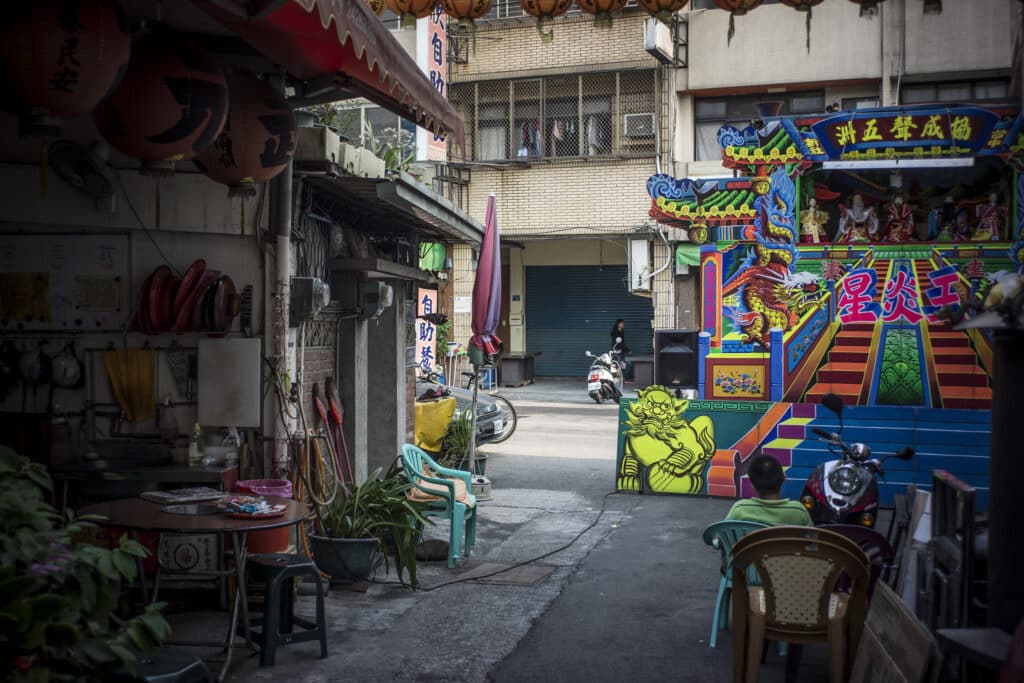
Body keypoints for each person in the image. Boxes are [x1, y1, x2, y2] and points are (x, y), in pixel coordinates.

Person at [726, 454, 813, 526]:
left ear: (751, 484)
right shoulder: (798, 511)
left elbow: (723, 537)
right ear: (784, 478)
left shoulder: (740, 509)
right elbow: (811, 538)